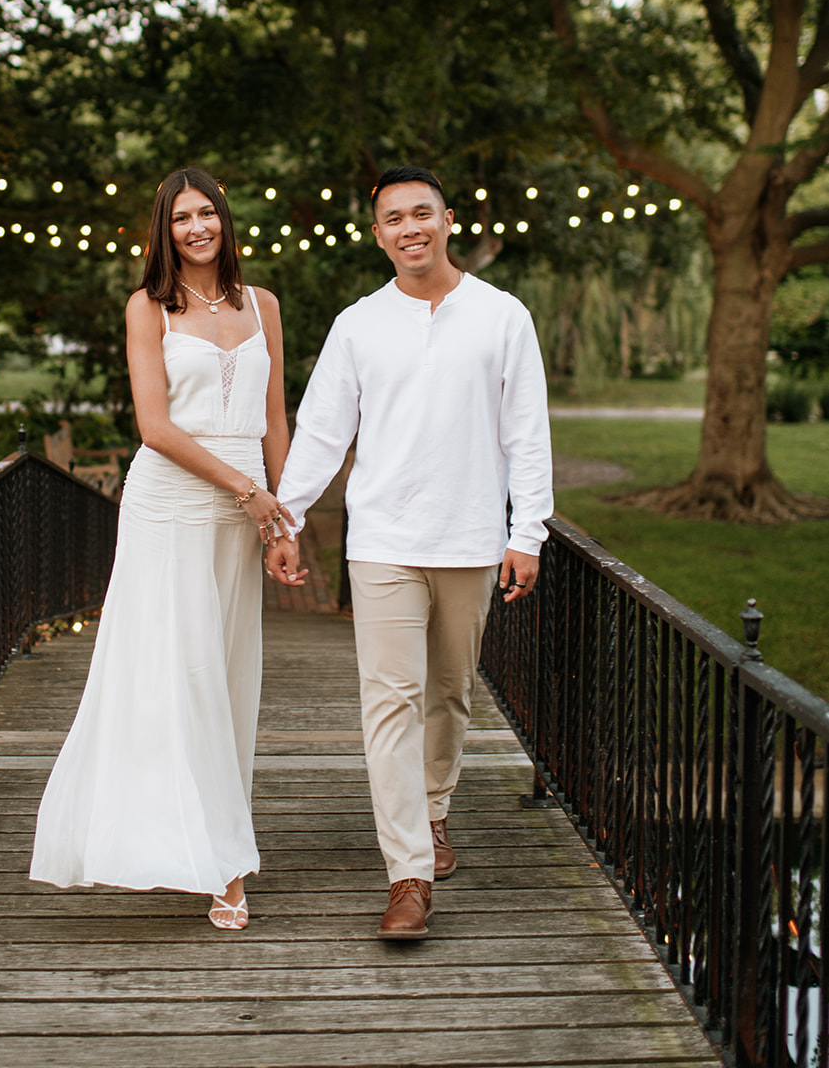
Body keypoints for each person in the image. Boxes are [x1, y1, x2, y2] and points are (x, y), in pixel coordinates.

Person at [276, 165, 552, 940]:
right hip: (384, 541)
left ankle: (432, 812)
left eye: (420, 214)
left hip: (468, 538)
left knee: (450, 693)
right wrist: (287, 516)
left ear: (447, 220)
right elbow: (323, 430)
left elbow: (525, 434)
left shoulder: (501, 317)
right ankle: (407, 875)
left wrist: (525, 531)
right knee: (388, 701)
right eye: (392, 219)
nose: (408, 229)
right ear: (377, 235)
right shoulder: (357, 324)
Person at [30, 167, 305, 931]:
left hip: (241, 514)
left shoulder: (264, 306)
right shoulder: (147, 307)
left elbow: (274, 419)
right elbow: (154, 427)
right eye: (181, 217)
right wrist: (245, 491)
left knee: (224, 676)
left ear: (224, 219)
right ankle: (218, 861)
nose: (196, 227)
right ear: (165, 229)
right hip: (170, 504)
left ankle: (212, 834)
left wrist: (282, 520)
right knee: (174, 676)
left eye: (206, 212)